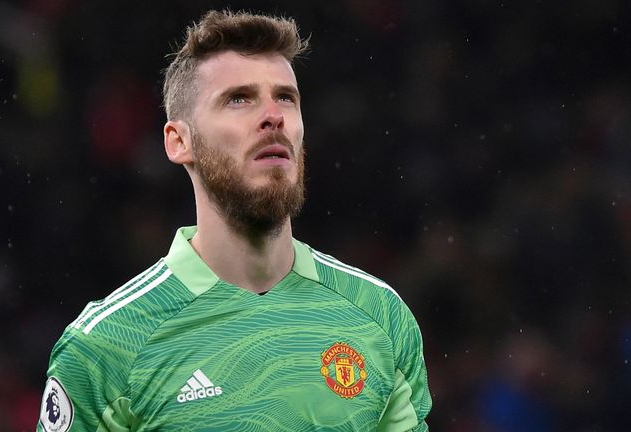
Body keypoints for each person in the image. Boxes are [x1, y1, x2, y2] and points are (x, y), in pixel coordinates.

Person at [37, 9, 431, 432]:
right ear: (179, 141)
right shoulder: (105, 347)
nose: (273, 115)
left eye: (286, 97)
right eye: (239, 98)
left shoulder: (380, 316)